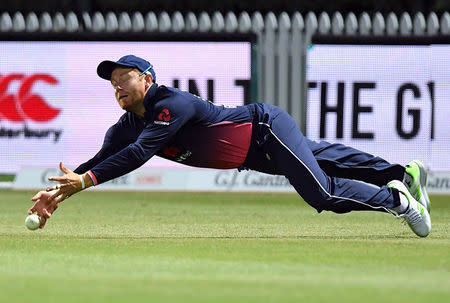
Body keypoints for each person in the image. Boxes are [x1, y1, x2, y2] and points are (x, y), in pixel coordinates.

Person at [28, 55, 432, 237]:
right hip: (252, 155)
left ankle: (396, 202)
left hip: (264, 128)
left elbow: (136, 155)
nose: (117, 85)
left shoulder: (171, 104)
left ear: (147, 79)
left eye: (125, 76)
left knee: (321, 191)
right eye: (112, 81)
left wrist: (86, 182)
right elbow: (96, 163)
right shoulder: (124, 126)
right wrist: (59, 192)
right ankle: (400, 175)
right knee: (322, 157)